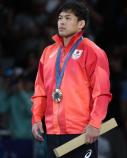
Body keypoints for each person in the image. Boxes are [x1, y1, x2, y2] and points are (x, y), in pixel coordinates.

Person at [31, 1, 112, 158]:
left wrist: (95, 123)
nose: (61, 21)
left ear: (81, 23)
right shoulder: (48, 53)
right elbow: (40, 90)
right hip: (52, 132)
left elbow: (102, 93)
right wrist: (36, 119)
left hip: (81, 133)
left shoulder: (93, 51)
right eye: (60, 18)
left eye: (68, 18)